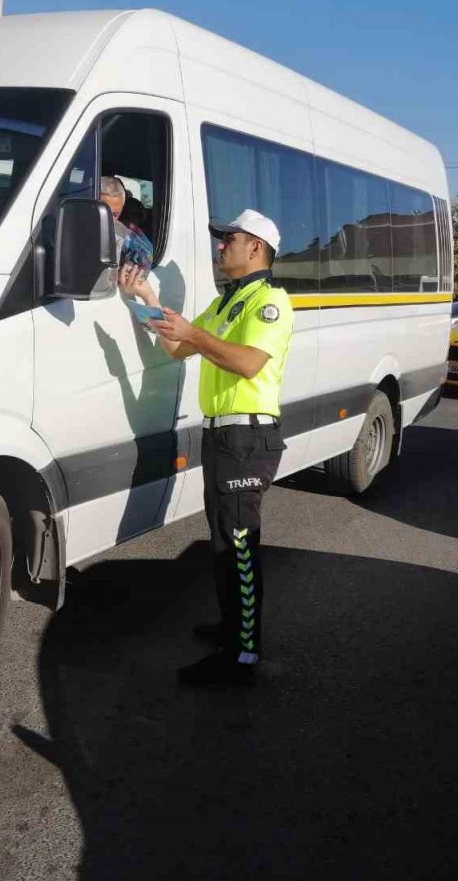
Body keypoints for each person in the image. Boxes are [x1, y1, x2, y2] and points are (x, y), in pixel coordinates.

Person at [118, 209, 294, 686]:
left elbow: (249, 364)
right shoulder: (226, 303)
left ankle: (243, 656)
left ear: (255, 247)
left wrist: (194, 333)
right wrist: (145, 299)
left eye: (228, 239)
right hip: (221, 434)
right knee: (223, 538)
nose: (220, 247)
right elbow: (178, 347)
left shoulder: (269, 302)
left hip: (247, 437)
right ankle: (232, 630)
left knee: (238, 546)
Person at [100, 176, 153, 278]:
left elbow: (142, 269)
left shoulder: (127, 239)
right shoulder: (71, 226)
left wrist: (124, 272)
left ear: (122, 211)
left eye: (115, 214)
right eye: (103, 212)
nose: (108, 219)